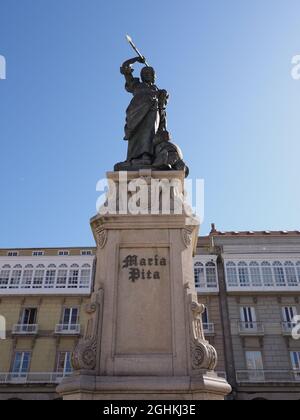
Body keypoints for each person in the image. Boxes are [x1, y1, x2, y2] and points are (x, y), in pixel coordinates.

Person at [120, 56, 167, 165]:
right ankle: (131, 159)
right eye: (144, 73)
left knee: (148, 133)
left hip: (151, 111)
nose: (146, 74)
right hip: (135, 113)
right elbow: (125, 68)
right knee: (135, 134)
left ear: (154, 76)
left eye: (149, 73)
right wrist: (136, 59)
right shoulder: (136, 85)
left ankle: (146, 156)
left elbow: (162, 108)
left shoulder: (157, 91)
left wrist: (163, 96)